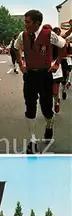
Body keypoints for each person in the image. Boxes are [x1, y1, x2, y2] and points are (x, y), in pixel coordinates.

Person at [14, 10, 67, 154]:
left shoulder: (49, 34)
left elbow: (64, 45)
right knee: (30, 106)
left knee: (46, 108)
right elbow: (15, 47)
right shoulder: (22, 35)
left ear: (37, 23)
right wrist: (20, 63)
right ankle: (32, 140)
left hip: (45, 75)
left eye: (28, 22)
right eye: (25, 21)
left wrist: (57, 63)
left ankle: (49, 124)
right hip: (30, 75)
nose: (25, 25)